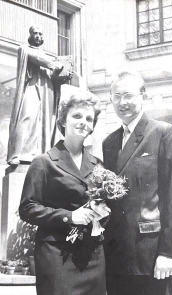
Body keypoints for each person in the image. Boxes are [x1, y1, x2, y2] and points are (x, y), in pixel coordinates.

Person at [103, 71, 172, 295]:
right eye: (116, 96)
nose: (123, 102)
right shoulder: (109, 142)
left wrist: (168, 252)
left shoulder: (163, 133)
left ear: (144, 97)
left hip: (149, 254)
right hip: (115, 254)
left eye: (129, 95)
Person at [19, 91, 109, 295]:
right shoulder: (44, 162)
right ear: (63, 120)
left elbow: (101, 206)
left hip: (92, 257)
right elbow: (27, 208)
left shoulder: (98, 165)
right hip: (57, 256)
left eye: (89, 118)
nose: (83, 122)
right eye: (77, 116)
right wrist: (70, 217)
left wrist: (102, 213)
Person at [7, 24, 71, 165]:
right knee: (26, 117)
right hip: (31, 87)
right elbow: (38, 58)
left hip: (46, 90)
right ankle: (17, 154)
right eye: (35, 33)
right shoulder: (24, 49)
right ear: (30, 35)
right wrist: (57, 64)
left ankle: (40, 155)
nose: (38, 36)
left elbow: (52, 72)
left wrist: (63, 74)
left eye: (41, 34)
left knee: (43, 123)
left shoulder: (45, 55)